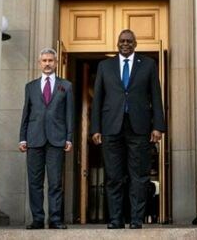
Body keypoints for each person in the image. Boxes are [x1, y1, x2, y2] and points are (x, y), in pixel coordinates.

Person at [90, 29, 165, 229]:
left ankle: (136, 219)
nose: (125, 44)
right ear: (117, 43)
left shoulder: (148, 64)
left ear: (135, 43)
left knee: (139, 176)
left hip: (138, 127)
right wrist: (95, 128)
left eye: (129, 41)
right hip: (111, 127)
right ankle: (115, 219)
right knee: (114, 176)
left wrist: (158, 126)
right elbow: (97, 99)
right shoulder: (105, 66)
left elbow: (156, 96)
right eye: (122, 41)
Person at [18, 48, 74, 230]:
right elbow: (26, 114)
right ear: (39, 63)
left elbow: (69, 115)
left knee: (55, 182)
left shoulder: (66, 86)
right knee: (35, 182)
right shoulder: (30, 86)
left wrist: (69, 138)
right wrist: (22, 138)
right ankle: (37, 219)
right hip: (34, 140)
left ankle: (56, 219)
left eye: (51, 60)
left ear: (56, 63)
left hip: (57, 140)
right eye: (44, 61)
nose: (48, 63)